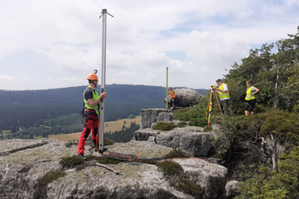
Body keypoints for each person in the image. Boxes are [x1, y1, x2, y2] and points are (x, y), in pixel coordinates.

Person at [78, 73, 107, 157]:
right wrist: (100, 97)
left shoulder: (93, 91)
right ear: (94, 81)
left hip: (94, 115)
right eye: (96, 81)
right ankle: (80, 152)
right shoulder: (89, 91)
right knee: (85, 133)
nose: (97, 82)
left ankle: (97, 148)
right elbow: (91, 104)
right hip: (89, 115)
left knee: (95, 132)